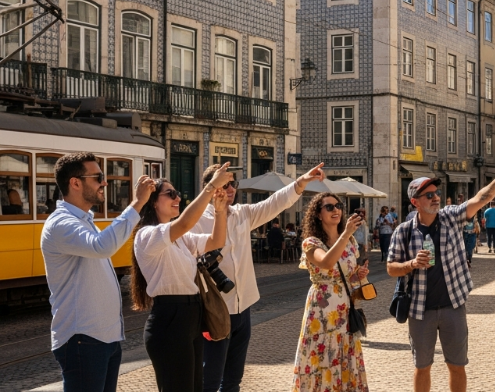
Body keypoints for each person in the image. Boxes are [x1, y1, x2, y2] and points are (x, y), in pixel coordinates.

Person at [194, 163, 327, 392]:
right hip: (213, 310)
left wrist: (301, 182)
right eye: (224, 184)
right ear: (209, 187)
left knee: (234, 379)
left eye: (232, 184)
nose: (230, 189)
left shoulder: (242, 213)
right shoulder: (196, 220)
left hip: (242, 306)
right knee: (210, 378)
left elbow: (274, 204)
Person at [387, 170, 495, 392]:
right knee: (422, 367)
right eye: (428, 195)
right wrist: (412, 264)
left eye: (436, 193)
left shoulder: (450, 217)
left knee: (457, 365)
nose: (435, 197)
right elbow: (391, 268)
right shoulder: (404, 232)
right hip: (420, 311)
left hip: (453, 306)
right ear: (415, 202)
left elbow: (479, 199)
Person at [41, 152, 155, 392]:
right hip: (82, 338)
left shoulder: (84, 220)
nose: (105, 182)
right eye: (98, 177)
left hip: (104, 338)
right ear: (75, 183)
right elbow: (102, 246)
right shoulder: (61, 223)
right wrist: (137, 204)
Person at [131, 167, 232, 392]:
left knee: (195, 387)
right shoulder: (147, 234)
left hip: (190, 316)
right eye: (171, 194)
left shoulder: (180, 239)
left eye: (177, 193)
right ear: (153, 202)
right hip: (170, 318)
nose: (178, 198)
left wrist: (219, 211)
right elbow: (185, 223)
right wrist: (211, 186)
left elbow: (217, 240)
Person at [292, 193, 370, 391]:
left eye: (338, 206)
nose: (336, 210)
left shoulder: (351, 242)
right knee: (322, 356)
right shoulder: (311, 242)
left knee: (344, 356)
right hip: (322, 312)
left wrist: (358, 275)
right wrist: (345, 234)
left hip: (345, 309)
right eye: (329, 207)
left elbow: (347, 277)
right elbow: (326, 262)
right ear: (318, 214)